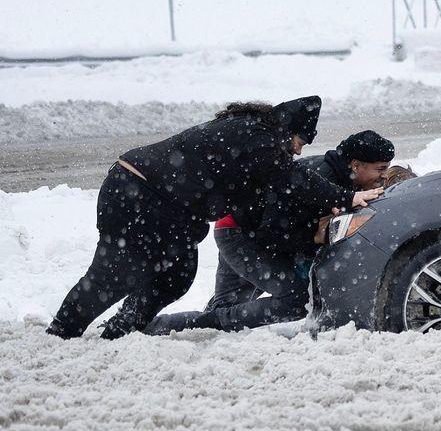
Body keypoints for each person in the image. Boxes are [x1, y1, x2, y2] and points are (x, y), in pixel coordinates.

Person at [46, 97, 382, 340]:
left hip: (168, 208)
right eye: (298, 142)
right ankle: (60, 335)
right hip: (136, 191)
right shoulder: (261, 136)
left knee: (177, 276)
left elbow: (259, 197)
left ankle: (121, 329)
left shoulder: (256, 138)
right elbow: (292, 180)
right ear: (287, 130)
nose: (296, 151)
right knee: (115, 273)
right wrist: (347, 197)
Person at [147, 130, 396, 334]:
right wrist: (314, 236)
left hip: (244, 230)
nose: (384, 176)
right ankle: (160, 325)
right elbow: (276, 231)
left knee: (225, 312)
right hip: (239, 234)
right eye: (380, 169)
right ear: (355, 164)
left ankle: (158, 327)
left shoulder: (342, 177)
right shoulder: (323, 178)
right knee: (293, 300)